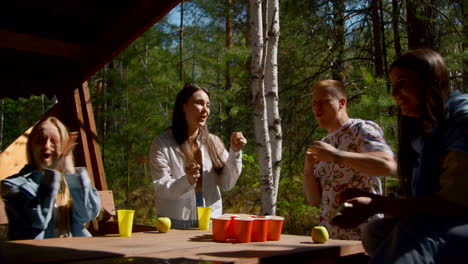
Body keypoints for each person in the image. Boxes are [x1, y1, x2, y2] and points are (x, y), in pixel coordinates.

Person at [332, 48, 468, 263]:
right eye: (393, 85)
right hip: (447, 224)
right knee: (376, 231)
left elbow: (456, 202)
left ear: (432, 80)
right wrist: (374, 200)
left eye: (403, 82)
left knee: (411, 232)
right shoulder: (424, 133)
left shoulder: (462, 121)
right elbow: (426, 204)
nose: (395, 93)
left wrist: (377, 205)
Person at [303, 79, 396, 240]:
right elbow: (314, 200)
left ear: (341, 103)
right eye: (314, 103)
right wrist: (308, 171)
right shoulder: (324, 144)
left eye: (323, 102)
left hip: (366, 238)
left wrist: (336, 155)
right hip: (329, 240)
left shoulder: (361, 130)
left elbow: (387, 165)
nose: (317, 108)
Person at [150, 83, 247, 229]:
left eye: (208, 105)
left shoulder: (213, 142)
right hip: (174, 223)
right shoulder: (162, 143)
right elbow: (161, 188)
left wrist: (235, 152)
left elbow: (227, 184)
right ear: (184, 106)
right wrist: (187, 180)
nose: (205, 110)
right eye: (199, 103)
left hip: (211, 221)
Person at [1, 116, 101, 240]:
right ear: (31, 146)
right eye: (41, 140)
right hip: (35, 257)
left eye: (53, 140)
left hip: (72, 253)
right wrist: (52, 173)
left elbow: (88, 213)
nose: (47, 145)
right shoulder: (12, 185)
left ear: (64, 147)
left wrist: (70, 171)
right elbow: (36, 220)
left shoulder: (70, 181)